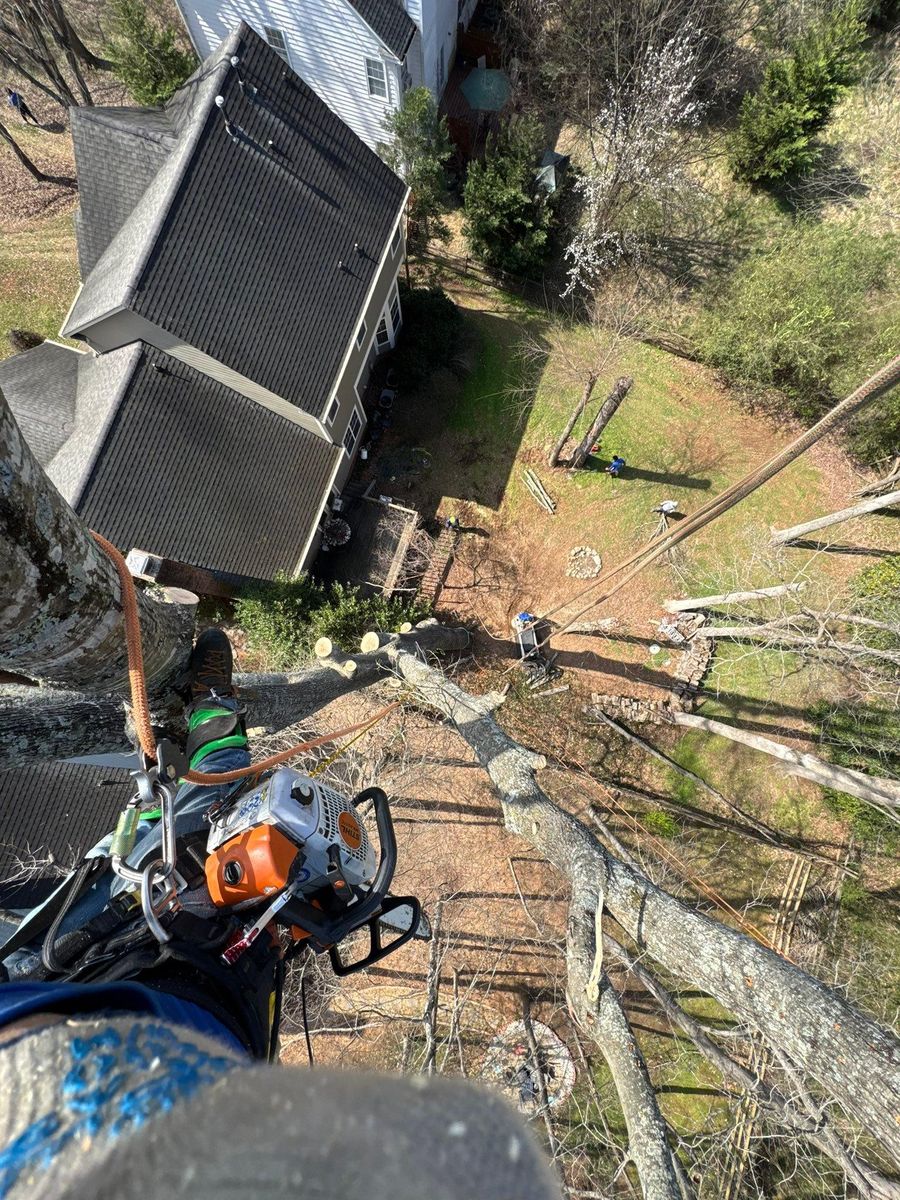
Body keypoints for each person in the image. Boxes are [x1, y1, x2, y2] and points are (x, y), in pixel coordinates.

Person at [0, 629, 560, 1200]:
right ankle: (209, 724)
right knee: (211, 817)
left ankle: (203, 721)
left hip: (92, 978)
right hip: (227, 1021)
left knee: (157, 844)